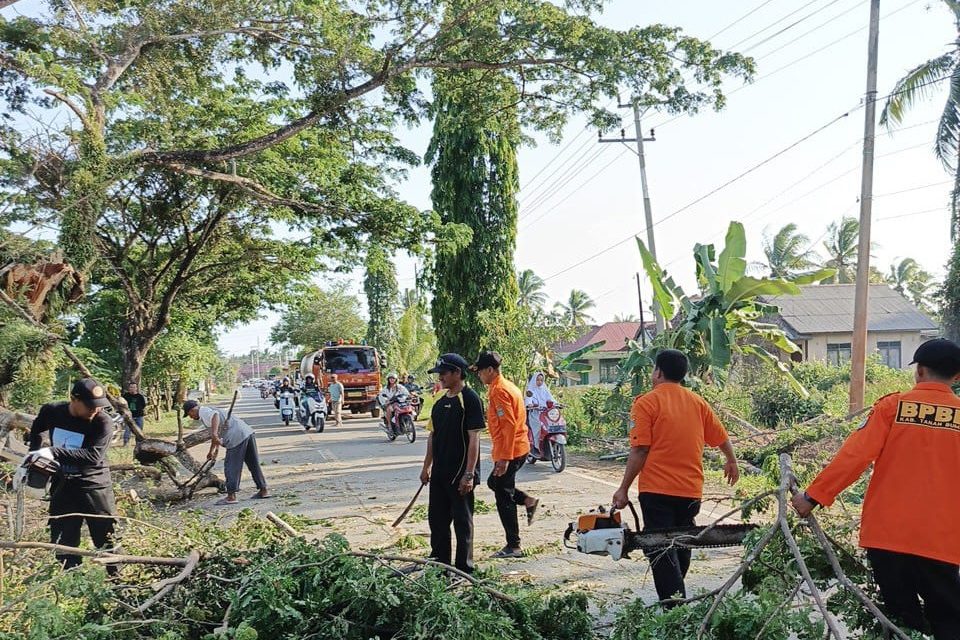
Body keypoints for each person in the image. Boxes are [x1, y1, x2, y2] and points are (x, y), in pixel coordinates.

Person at [791, 338, 960, 639]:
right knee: (949, 621)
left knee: (900, 621)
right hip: (943, 540)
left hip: (888, 537)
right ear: (957, 376)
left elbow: (854, 457)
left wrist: (812, 497)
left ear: (919, 371)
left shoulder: (892, 407)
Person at [611, 349, 739, 607]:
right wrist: (731, 460)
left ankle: (675, 611)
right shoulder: (697, 402)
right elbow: (721, 436)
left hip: (657, 490)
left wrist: (623, 489)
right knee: (681, 540)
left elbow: (640, 450)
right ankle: (677, 596)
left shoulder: (646, 403)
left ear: (658, 372)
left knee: (660, 546)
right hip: (690, 491)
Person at [28, 378, 117, 571]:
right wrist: (32, 458)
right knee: (63, 538)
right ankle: (70, 579)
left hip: (94, 485)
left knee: (106, 536)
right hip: (63, 485)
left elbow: (93, 456)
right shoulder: (52, 411)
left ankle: (117, 582)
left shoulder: (103, 421)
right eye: (90, 406)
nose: (95, 410)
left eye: (99, 406)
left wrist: (54, 451)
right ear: (74, 399)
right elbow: (36, 429)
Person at [471, 351, 539, 559]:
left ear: (490, 370)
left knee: (503, 495)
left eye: (480, 372)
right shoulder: (506, 386)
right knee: (495, 483)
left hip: (512, 449)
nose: (479, 376)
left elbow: (508, 425)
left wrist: (505, 458)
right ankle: (528, 501)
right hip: (517, 446)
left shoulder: (500, 391)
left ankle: (514, 545)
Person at [420, 353, 483, 573]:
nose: (441, 378)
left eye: (444, 373)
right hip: (439, 472)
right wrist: (426, 466)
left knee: (462, 522)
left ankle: (464, 569)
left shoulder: (470, 399)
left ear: (457, 373)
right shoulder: (438, 400)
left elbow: (474, 438)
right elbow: (432, 436)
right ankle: (440, 563)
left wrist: (469, 474)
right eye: (439, 374)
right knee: (437, 520)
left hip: (460, 473)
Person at [183, 400, 269, 505]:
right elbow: (216, 434)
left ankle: (231, 496)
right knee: (253, 464)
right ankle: (263, 490)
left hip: (236, 437)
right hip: (246, 433)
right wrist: (211, 451)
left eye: (189, 414)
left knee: (231, 467)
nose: (191, 417)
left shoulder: (203, 411)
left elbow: (215, 417)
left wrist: (214, 434)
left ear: (192, 410)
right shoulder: (208, 412)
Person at [524, 372, 555, 456]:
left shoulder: (545, 390)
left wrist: (558, 404)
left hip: (546, 414)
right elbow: (528, 400)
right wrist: (530, 404)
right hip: (535, 414)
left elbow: (551, 399)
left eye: (541, 380)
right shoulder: (530, 390)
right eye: (537, 380)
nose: (539, 382)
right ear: (534, 380)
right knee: (538, 426)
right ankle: (535, 447)